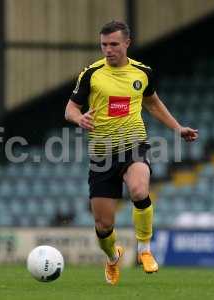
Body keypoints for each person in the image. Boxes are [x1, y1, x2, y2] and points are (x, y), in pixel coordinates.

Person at [65, 21, 198, 285]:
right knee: (103, 226)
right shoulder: (91, 74)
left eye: (114, 44)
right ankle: (113, 257)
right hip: (102, 154)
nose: (108, 50)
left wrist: (177, 127)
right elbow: (70, 109)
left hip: (133, 144)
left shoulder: (142, 72)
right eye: (104, 45)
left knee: (139, 190)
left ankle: (145, 249)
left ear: (127, 43)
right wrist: (79, 118)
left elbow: (153, 103)